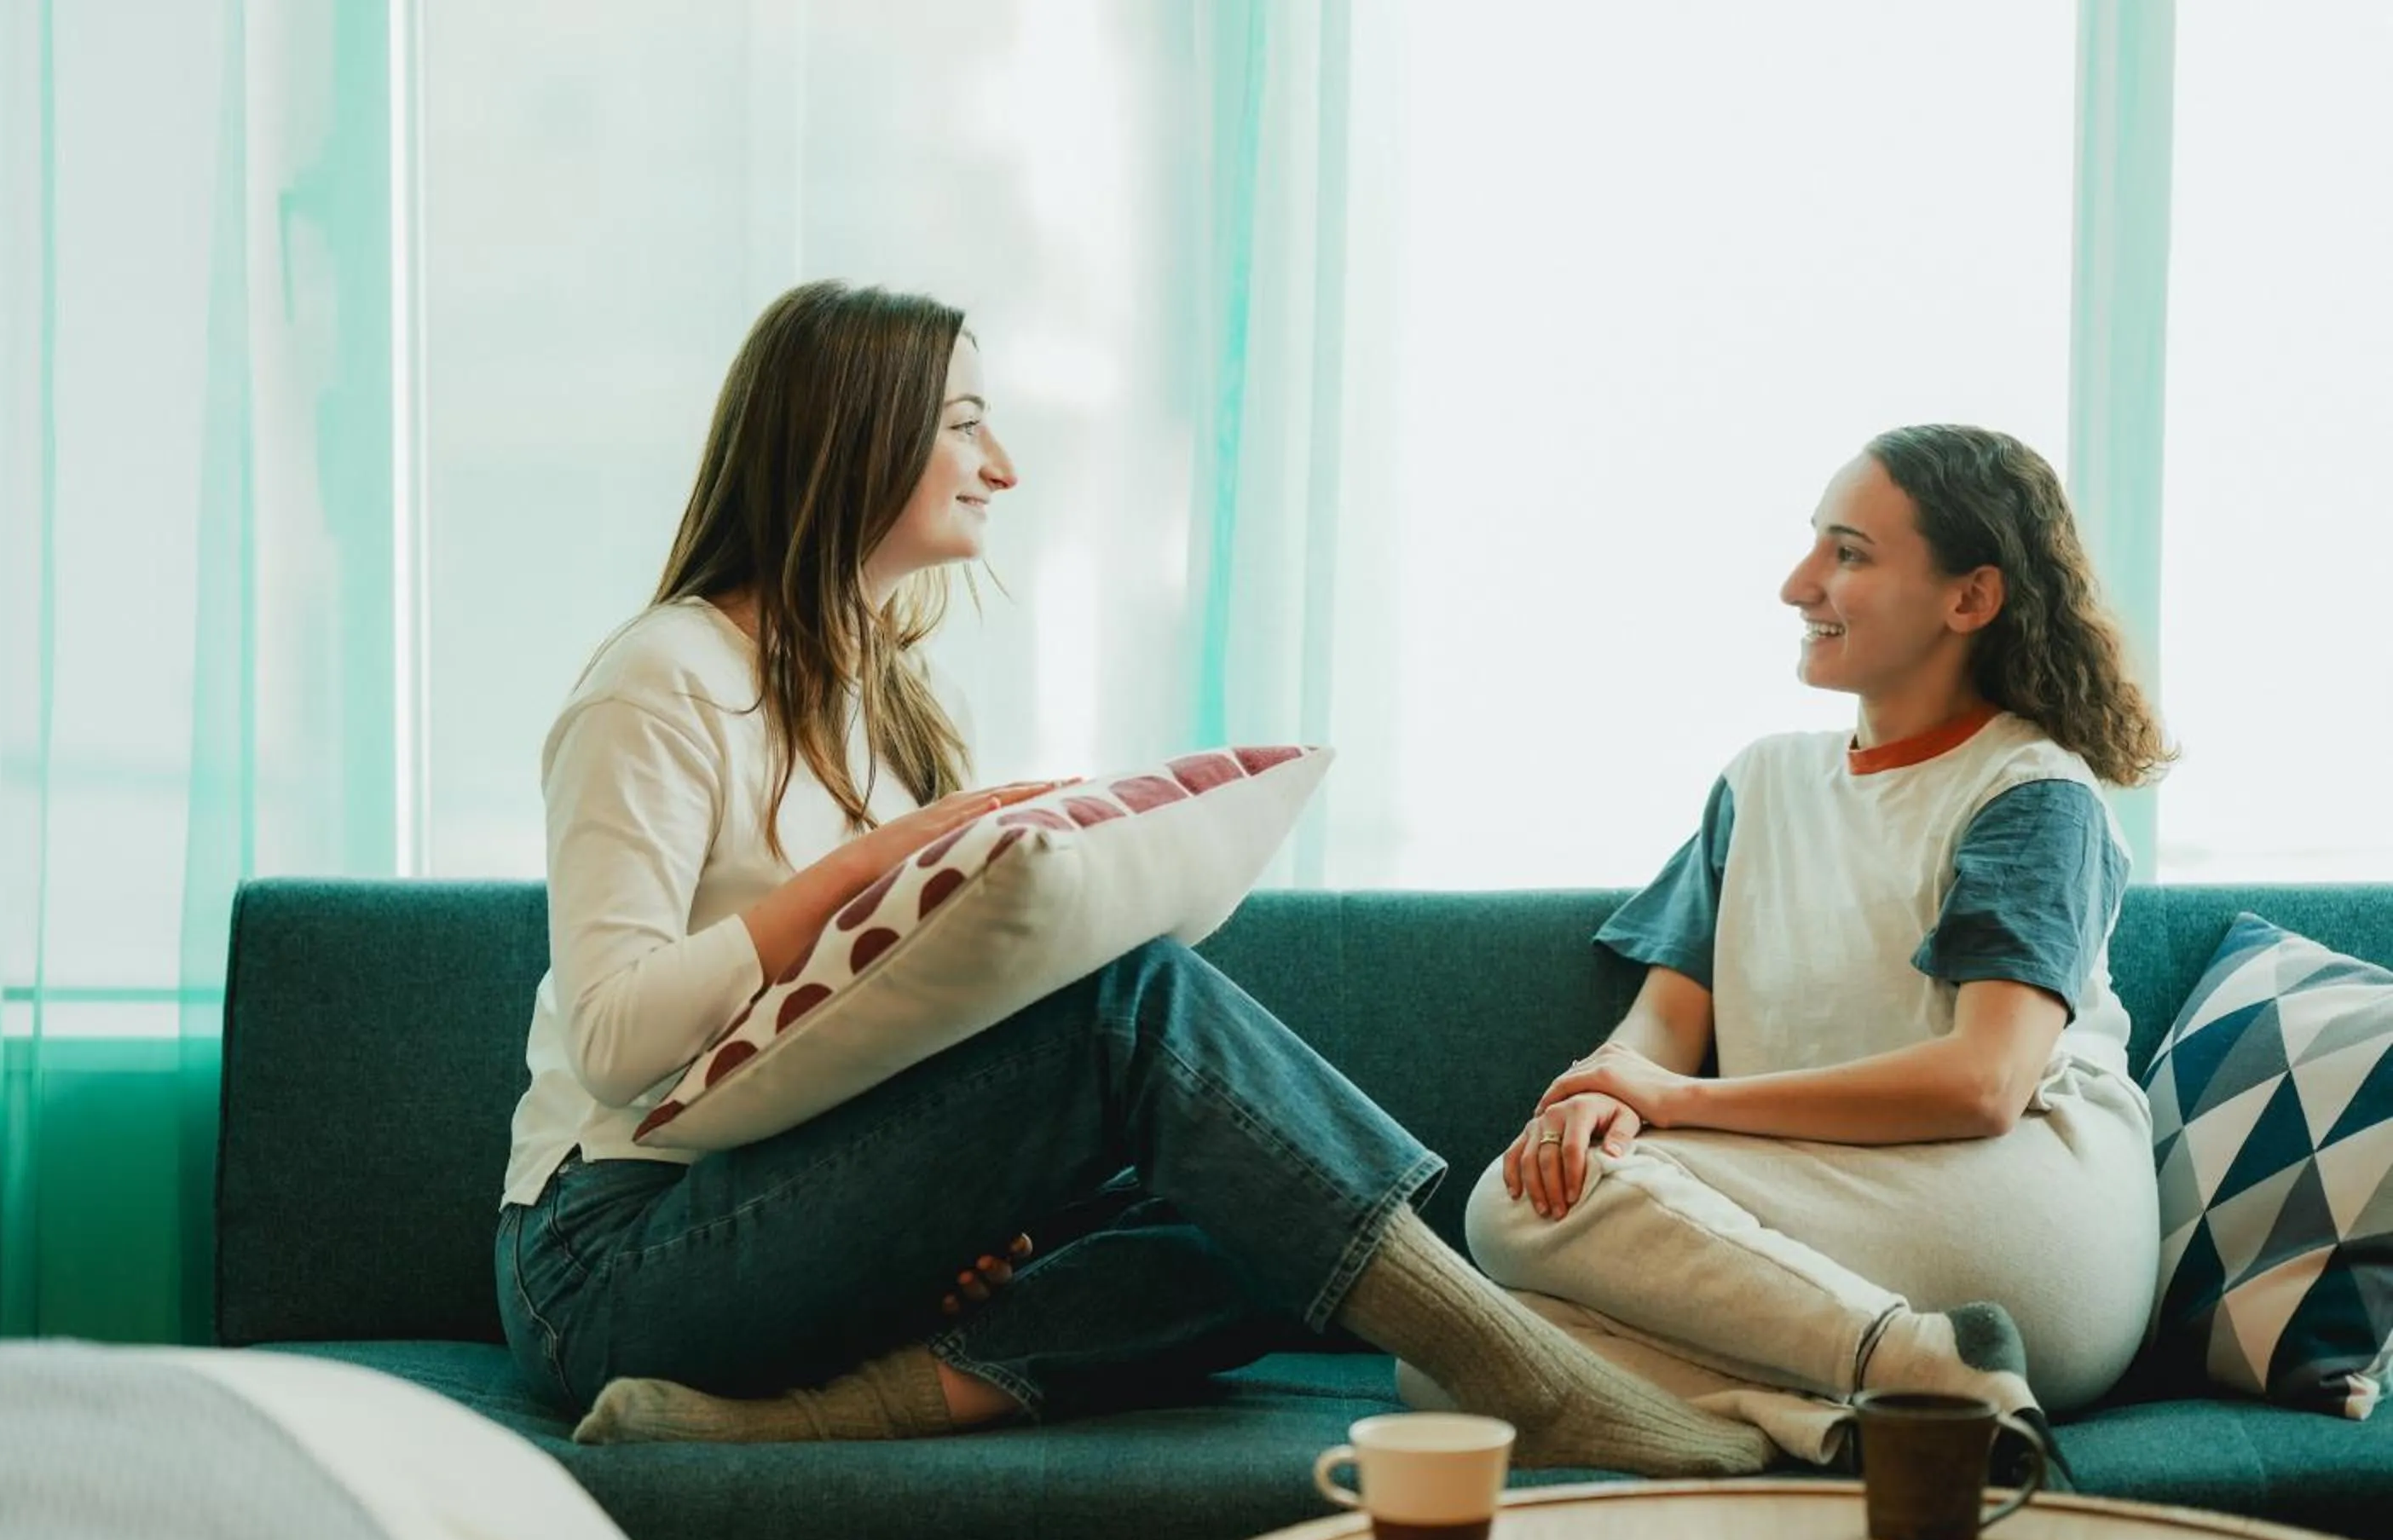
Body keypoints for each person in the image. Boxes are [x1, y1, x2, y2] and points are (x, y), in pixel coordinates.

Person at [491, 279, 1772, 1475]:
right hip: (611, 1259)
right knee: (1137, 1007)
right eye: (968, 426)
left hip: (793, 1216)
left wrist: (968, 1183)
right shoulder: (661, 682)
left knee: (1261, 1204)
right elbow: (612, 1038)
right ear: (855, 437)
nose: (1003, 468)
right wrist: (862, 870)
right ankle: (1525, 1376)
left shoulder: (888, 713)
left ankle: (803, 1419)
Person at [1436, 424, 2173, 1462]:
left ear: (1970, 598)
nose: (1798, 584)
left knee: (1511, 1208)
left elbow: (1982, 1082)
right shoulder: (1761, 783)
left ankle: (1921, 1360)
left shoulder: (2032, 791)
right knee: (1446, 1362)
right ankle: (1862, 1419)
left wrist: (1673, 1104)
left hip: (2025, 1207)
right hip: (1834, 1218)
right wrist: (1610, 1085)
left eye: (1849, 553)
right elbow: (1664, 1019)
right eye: (1813, 546)